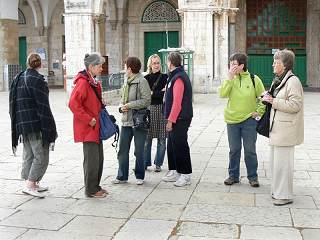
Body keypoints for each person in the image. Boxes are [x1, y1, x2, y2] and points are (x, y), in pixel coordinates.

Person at [9, 53, 57, 198]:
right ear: (40, 64)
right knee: (41, 155)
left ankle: (33, 182)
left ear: (28, 63)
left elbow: (13, 102)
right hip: (35, 124)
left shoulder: (18, 77)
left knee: (29, 153)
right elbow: (43, 107)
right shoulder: (37, 79)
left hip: (21, 123)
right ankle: (30, 184)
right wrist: (50, 128)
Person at [262, 49, 304, 206]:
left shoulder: (293, 81)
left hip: (286, 131)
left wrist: (273, 101)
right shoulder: (279, 79)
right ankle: (277, 191)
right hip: (277, 129)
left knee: (283, 165)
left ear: (285, 65)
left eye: (276, 62)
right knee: (276, 164)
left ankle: (284, 195)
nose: (273, 64)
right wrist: (267, 97)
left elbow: (295, 105)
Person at [219, 53, 265, 187]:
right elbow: (222, 94)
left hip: (249, 120)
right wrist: (229, 78)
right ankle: (233, 176)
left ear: (242, 65)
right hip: (232, 120)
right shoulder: (230, 79)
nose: (231, 67)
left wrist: (259, 111)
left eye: (234, 64)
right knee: (234, 149)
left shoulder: (254, 79)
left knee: (250, 149)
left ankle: (253, 177)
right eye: (230, 64)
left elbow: (263, 97)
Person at [69, 52, 107, 198]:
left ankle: (96, 186)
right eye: (100, 66)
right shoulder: (83, 82)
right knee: (91, 160)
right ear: (91, 66)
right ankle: (90, 190)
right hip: (88, 127)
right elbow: (73, 104)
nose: (102, 69)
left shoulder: (92, 81)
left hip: (95, 127)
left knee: (99, 158)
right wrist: (88, 119)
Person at [112, 57, 151, 185]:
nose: (124, 69)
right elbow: (122, 100)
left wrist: (129, 105)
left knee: (139, 150)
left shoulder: (142, 81)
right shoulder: (126, 81)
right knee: (122, 150)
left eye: (125, 66)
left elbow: (146, 101)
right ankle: (122, 176)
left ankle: (140, 175)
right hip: (126, 121)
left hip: (138, 121)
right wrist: (121, 107)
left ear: (129, 68)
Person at [162, 52, 193, 187]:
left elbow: (177, 102)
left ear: (170, 62)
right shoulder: (174, 76)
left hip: (180, 118)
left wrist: (171, 120)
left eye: (167, 61)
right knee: (172, 145)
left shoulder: (179, 78)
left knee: (180, 145)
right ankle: (175, 170)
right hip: (175, 117)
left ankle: (185, 174)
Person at [143, 54, 168, 172]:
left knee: (162, 138)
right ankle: (145, 162)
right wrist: (159, 92)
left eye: (158, 63)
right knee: (147, 138)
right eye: (154, 63)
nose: (156, 65)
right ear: (150, 65)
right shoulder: (146, 78)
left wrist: (154, 93)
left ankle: (158, 164)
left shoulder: (165, 77)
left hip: (163, 110)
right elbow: (147, 96)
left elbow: (166, 94)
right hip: (150, 109)